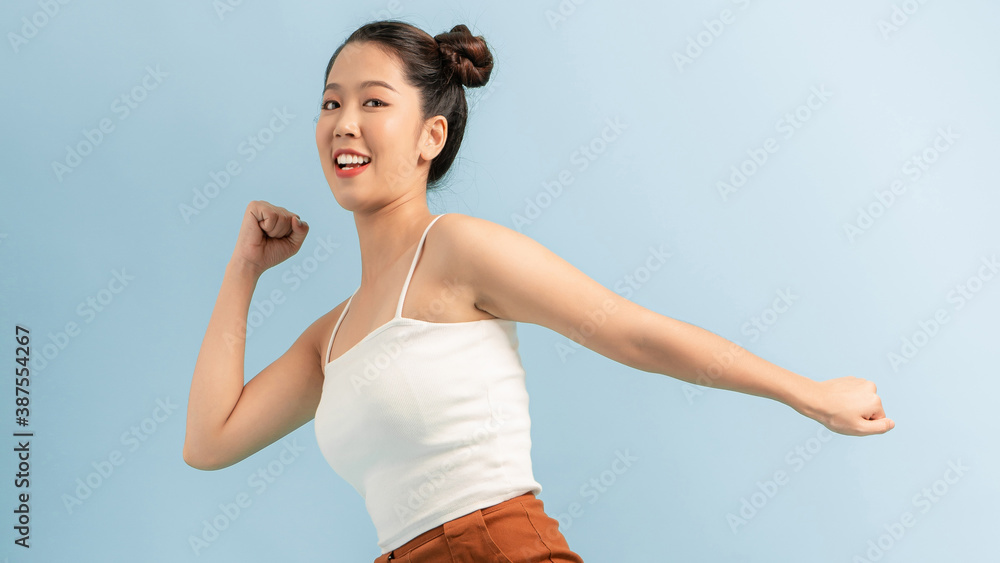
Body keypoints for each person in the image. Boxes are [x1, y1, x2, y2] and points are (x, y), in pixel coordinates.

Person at [183, 19, 894, 562]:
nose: (344, 122)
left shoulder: (458, 249)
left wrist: (808, 391)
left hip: (498, 544)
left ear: (431, 135)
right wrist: (243, 268)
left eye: (374, 101)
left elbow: (628, 329)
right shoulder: (329, 338)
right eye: (331, 102)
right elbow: (208, 442)